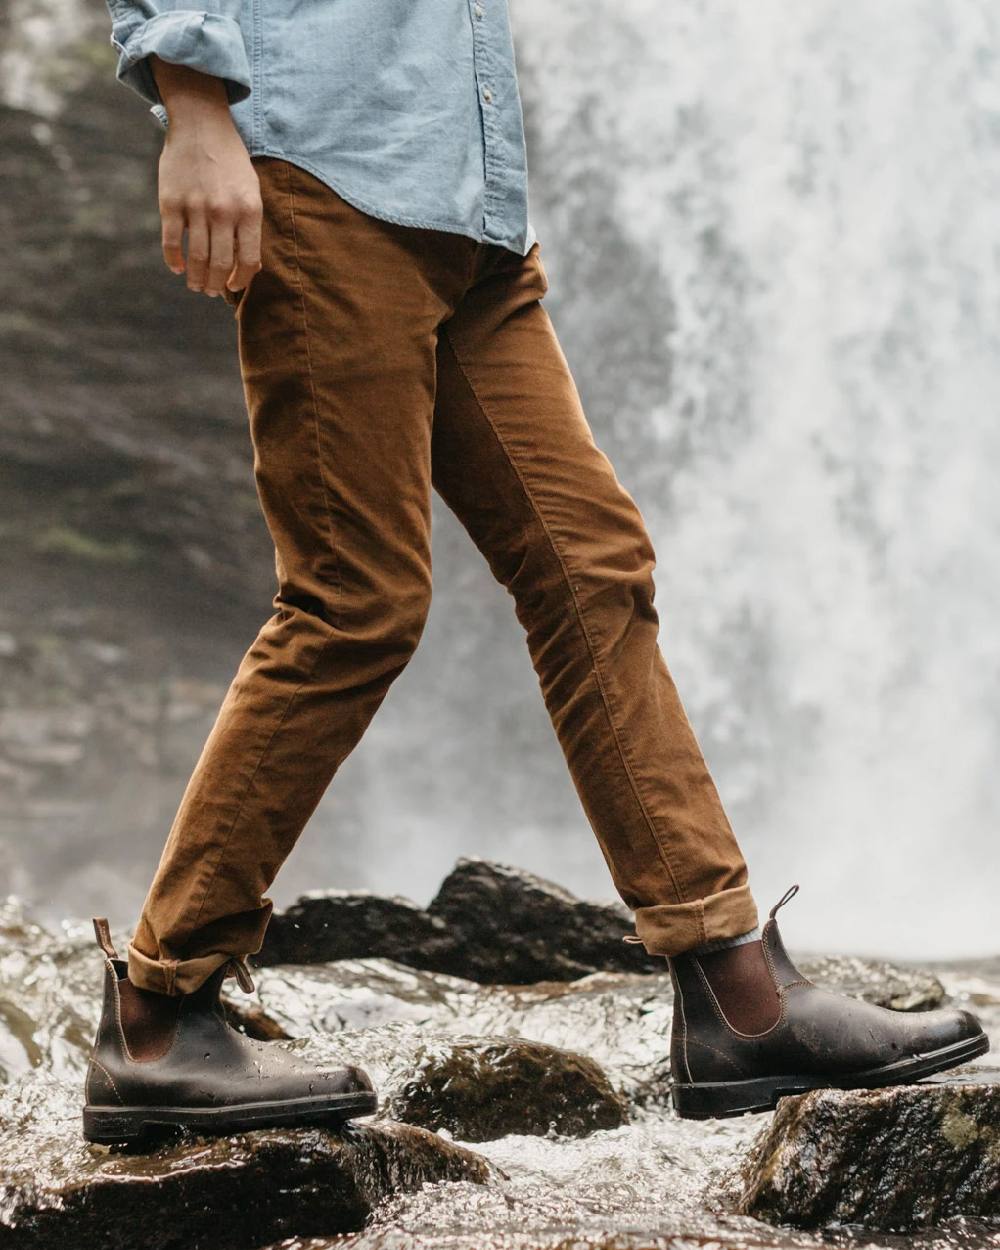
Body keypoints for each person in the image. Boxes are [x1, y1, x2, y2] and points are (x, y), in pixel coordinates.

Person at [83, 0, 987, 1144]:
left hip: (471, 207)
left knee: (593, 569)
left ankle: (732, 995)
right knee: (353, 600)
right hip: (323, 167)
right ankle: (158, 1013)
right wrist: (194, 104)